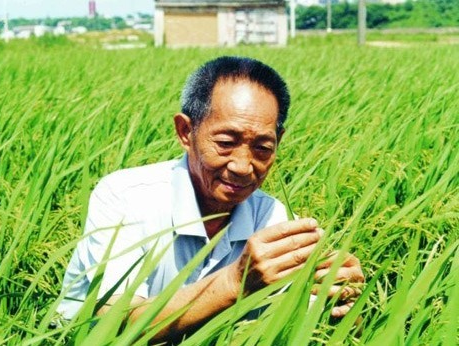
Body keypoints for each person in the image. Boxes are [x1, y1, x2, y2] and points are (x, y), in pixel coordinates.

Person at [57, 56, 364, 342]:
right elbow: (116, 323)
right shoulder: (125, 196)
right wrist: (235, 282)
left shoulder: (271, 216)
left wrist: (340, 301)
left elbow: (301, 319)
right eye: (226, 143)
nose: (243, 166)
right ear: (185, 131)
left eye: (262, 148)